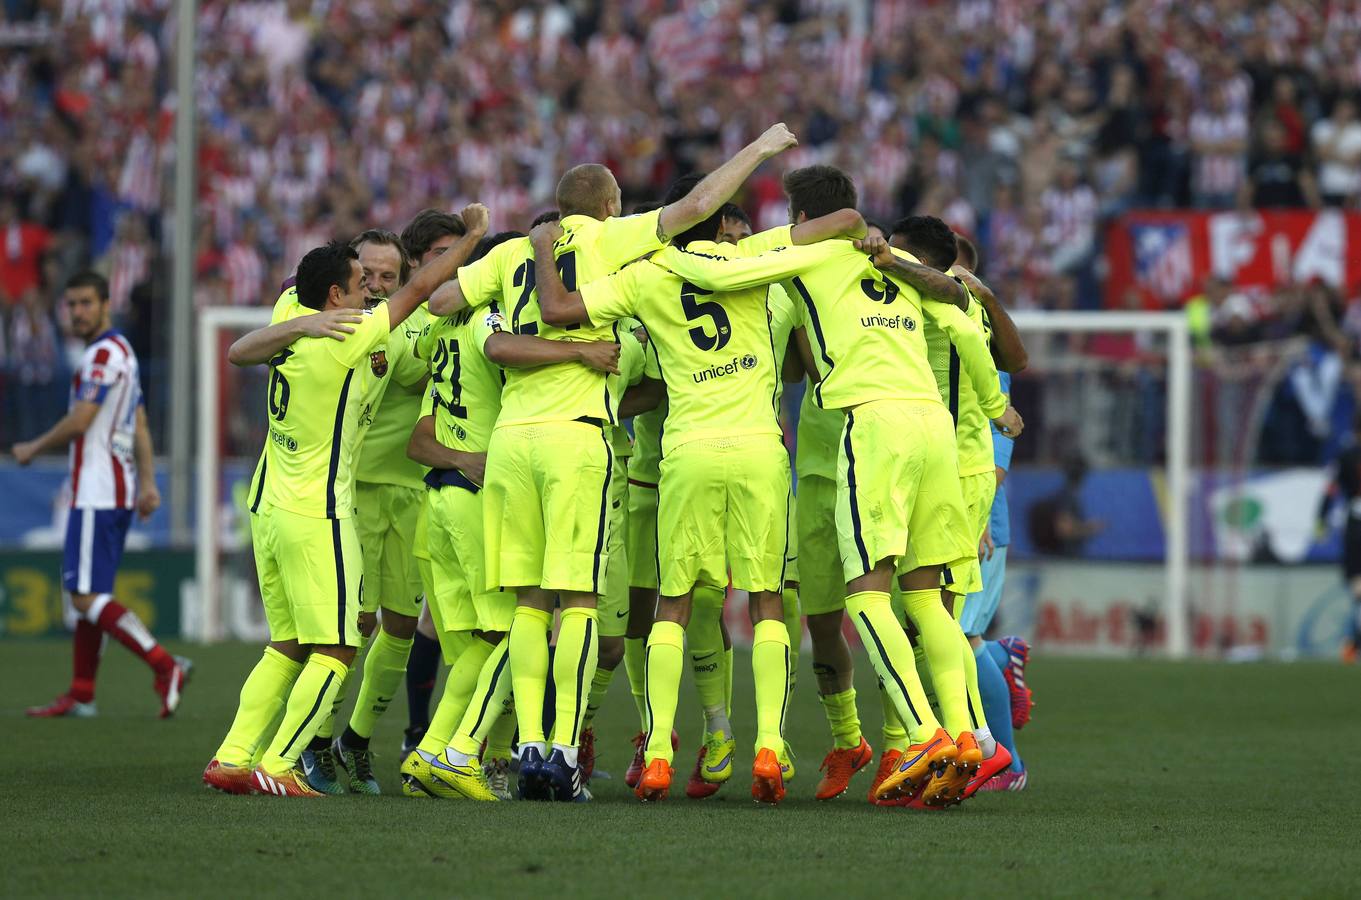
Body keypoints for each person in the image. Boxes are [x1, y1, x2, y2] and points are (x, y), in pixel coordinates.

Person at [427, 123, 799, 802]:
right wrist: (760, 149)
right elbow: (695, 207)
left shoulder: (513, 250)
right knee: (580, 602)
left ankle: (529, 745)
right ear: (608, 206)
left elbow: (442, 300)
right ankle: (565, 752)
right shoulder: (615, 241)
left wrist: (495, 291)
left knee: (529, 603)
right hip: (579, 437)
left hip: (509, 439)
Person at [653, 164, 1020, 807]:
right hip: (933, 427)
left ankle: (925, 735)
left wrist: (668, 259)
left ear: (801, 220)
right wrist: (996, 406)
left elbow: (722, 277)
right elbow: (965, 323)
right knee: (926, 600)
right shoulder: (898, 263)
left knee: (866, 596)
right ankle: (972, 737)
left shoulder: (809, 257)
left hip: (872, 427)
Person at [529, 176, 863, 803]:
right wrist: (862, 235)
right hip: (761, 451)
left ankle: (657, 750)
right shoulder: (757, 263)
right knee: (766, 602)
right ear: (720, 229)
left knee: (673, 606)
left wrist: (546, 247)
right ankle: (770, 746)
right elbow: (836, 226)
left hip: (685, 453)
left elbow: (559, 310)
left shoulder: (645, 274)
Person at [201, 205, 487, 797]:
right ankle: (282, 762)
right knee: (337, 645)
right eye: (361, 282)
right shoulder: (350, 335)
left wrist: (305, 324)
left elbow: (240, 350)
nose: (372, 291)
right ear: (336, 295)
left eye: (380, 279)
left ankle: (232, 756)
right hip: (318, 510)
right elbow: (421, 290)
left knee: (287, 644)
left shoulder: (293, 311)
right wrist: (476, 236)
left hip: (267, 502)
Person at [888, 219, 1025, 803]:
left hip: (963, 480)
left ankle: (986, 747)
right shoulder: (920, 310)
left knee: (947, 624)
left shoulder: (957, 311)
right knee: (936, 623)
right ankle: (965, 737)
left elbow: (1007, 392)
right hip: (935, 473)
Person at [19, 271, 190, 720]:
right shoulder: (123, 353)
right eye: (71, 304)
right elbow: (140, 422)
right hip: (113, 489)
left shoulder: (101, 356)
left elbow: (81, 420)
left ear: (104, 305)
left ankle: (165, 665)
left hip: (97, 490)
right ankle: (82, 692)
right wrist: (148, 483)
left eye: (85, 303)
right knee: (91, 596)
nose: (77, 312)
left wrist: (32, 447)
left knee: (82, 596)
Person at [309, 228, 435, 796]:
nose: (379, 285)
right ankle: (315, 738)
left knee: (402, 625)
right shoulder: (345, 323)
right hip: (353, 489)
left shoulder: (418, 322)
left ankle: (355, 739)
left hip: (412, 490)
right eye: (370, 275)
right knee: (353, 624)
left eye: (390, 276)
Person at [1316, 414, 1361, 664]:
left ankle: (1352, 644)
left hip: (1354, 524)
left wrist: (1320, 520)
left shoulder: (1344, 456)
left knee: (1358, 589)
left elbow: (1330, 489)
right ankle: (1353, 643)